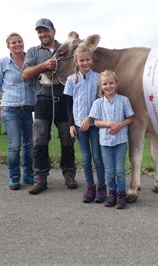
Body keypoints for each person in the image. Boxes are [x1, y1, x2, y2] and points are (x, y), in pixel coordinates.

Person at [22, 18, 77, 195]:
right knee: (40, 141)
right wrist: (44, 66)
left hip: (64, 98)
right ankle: (41, 179)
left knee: (67, 140)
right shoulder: (32, 52)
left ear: (53, 31)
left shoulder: (67, 47)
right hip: (43, 99)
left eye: (45, 30)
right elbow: (25, 74)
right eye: (39, 31)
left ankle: (69, 175)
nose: (42, 34)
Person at [0, 32, 35, 190]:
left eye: (20, 41)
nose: (17, 44)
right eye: (13, 43)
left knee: (29, 145)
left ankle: (29, 174)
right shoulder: (2, 63)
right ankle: (14, 176)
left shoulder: (30, 60)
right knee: (15, 145)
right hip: (10, 109)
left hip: (28, 109)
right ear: (8, 46)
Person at [64, 45, 106, 203]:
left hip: (95, 124)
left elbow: (101, 101)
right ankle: (90, 187)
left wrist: (90, 118)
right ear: (76, 62)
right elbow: (68, 103)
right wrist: (71, 125)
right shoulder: (71, 80)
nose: (85, 62)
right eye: (81, 60)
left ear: (92, 61)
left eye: (87, 59)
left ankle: (102, 187)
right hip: (79, 125)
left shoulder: (98, 78)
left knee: (97, 157)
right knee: (86, 158)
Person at [89, 70, 134, 209]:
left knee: (119, 169)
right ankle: (112, 194)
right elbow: (96, 122)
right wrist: (109, 124)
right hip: (105, 142)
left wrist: (120, 125)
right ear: (101, 86)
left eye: (111, 83)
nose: (108, 86)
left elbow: (131, 118)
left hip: (120, 141)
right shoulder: (98, 103)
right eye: (104, 84)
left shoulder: (123, 100)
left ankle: (121, 195)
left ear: (116, 84)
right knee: (109, 170)